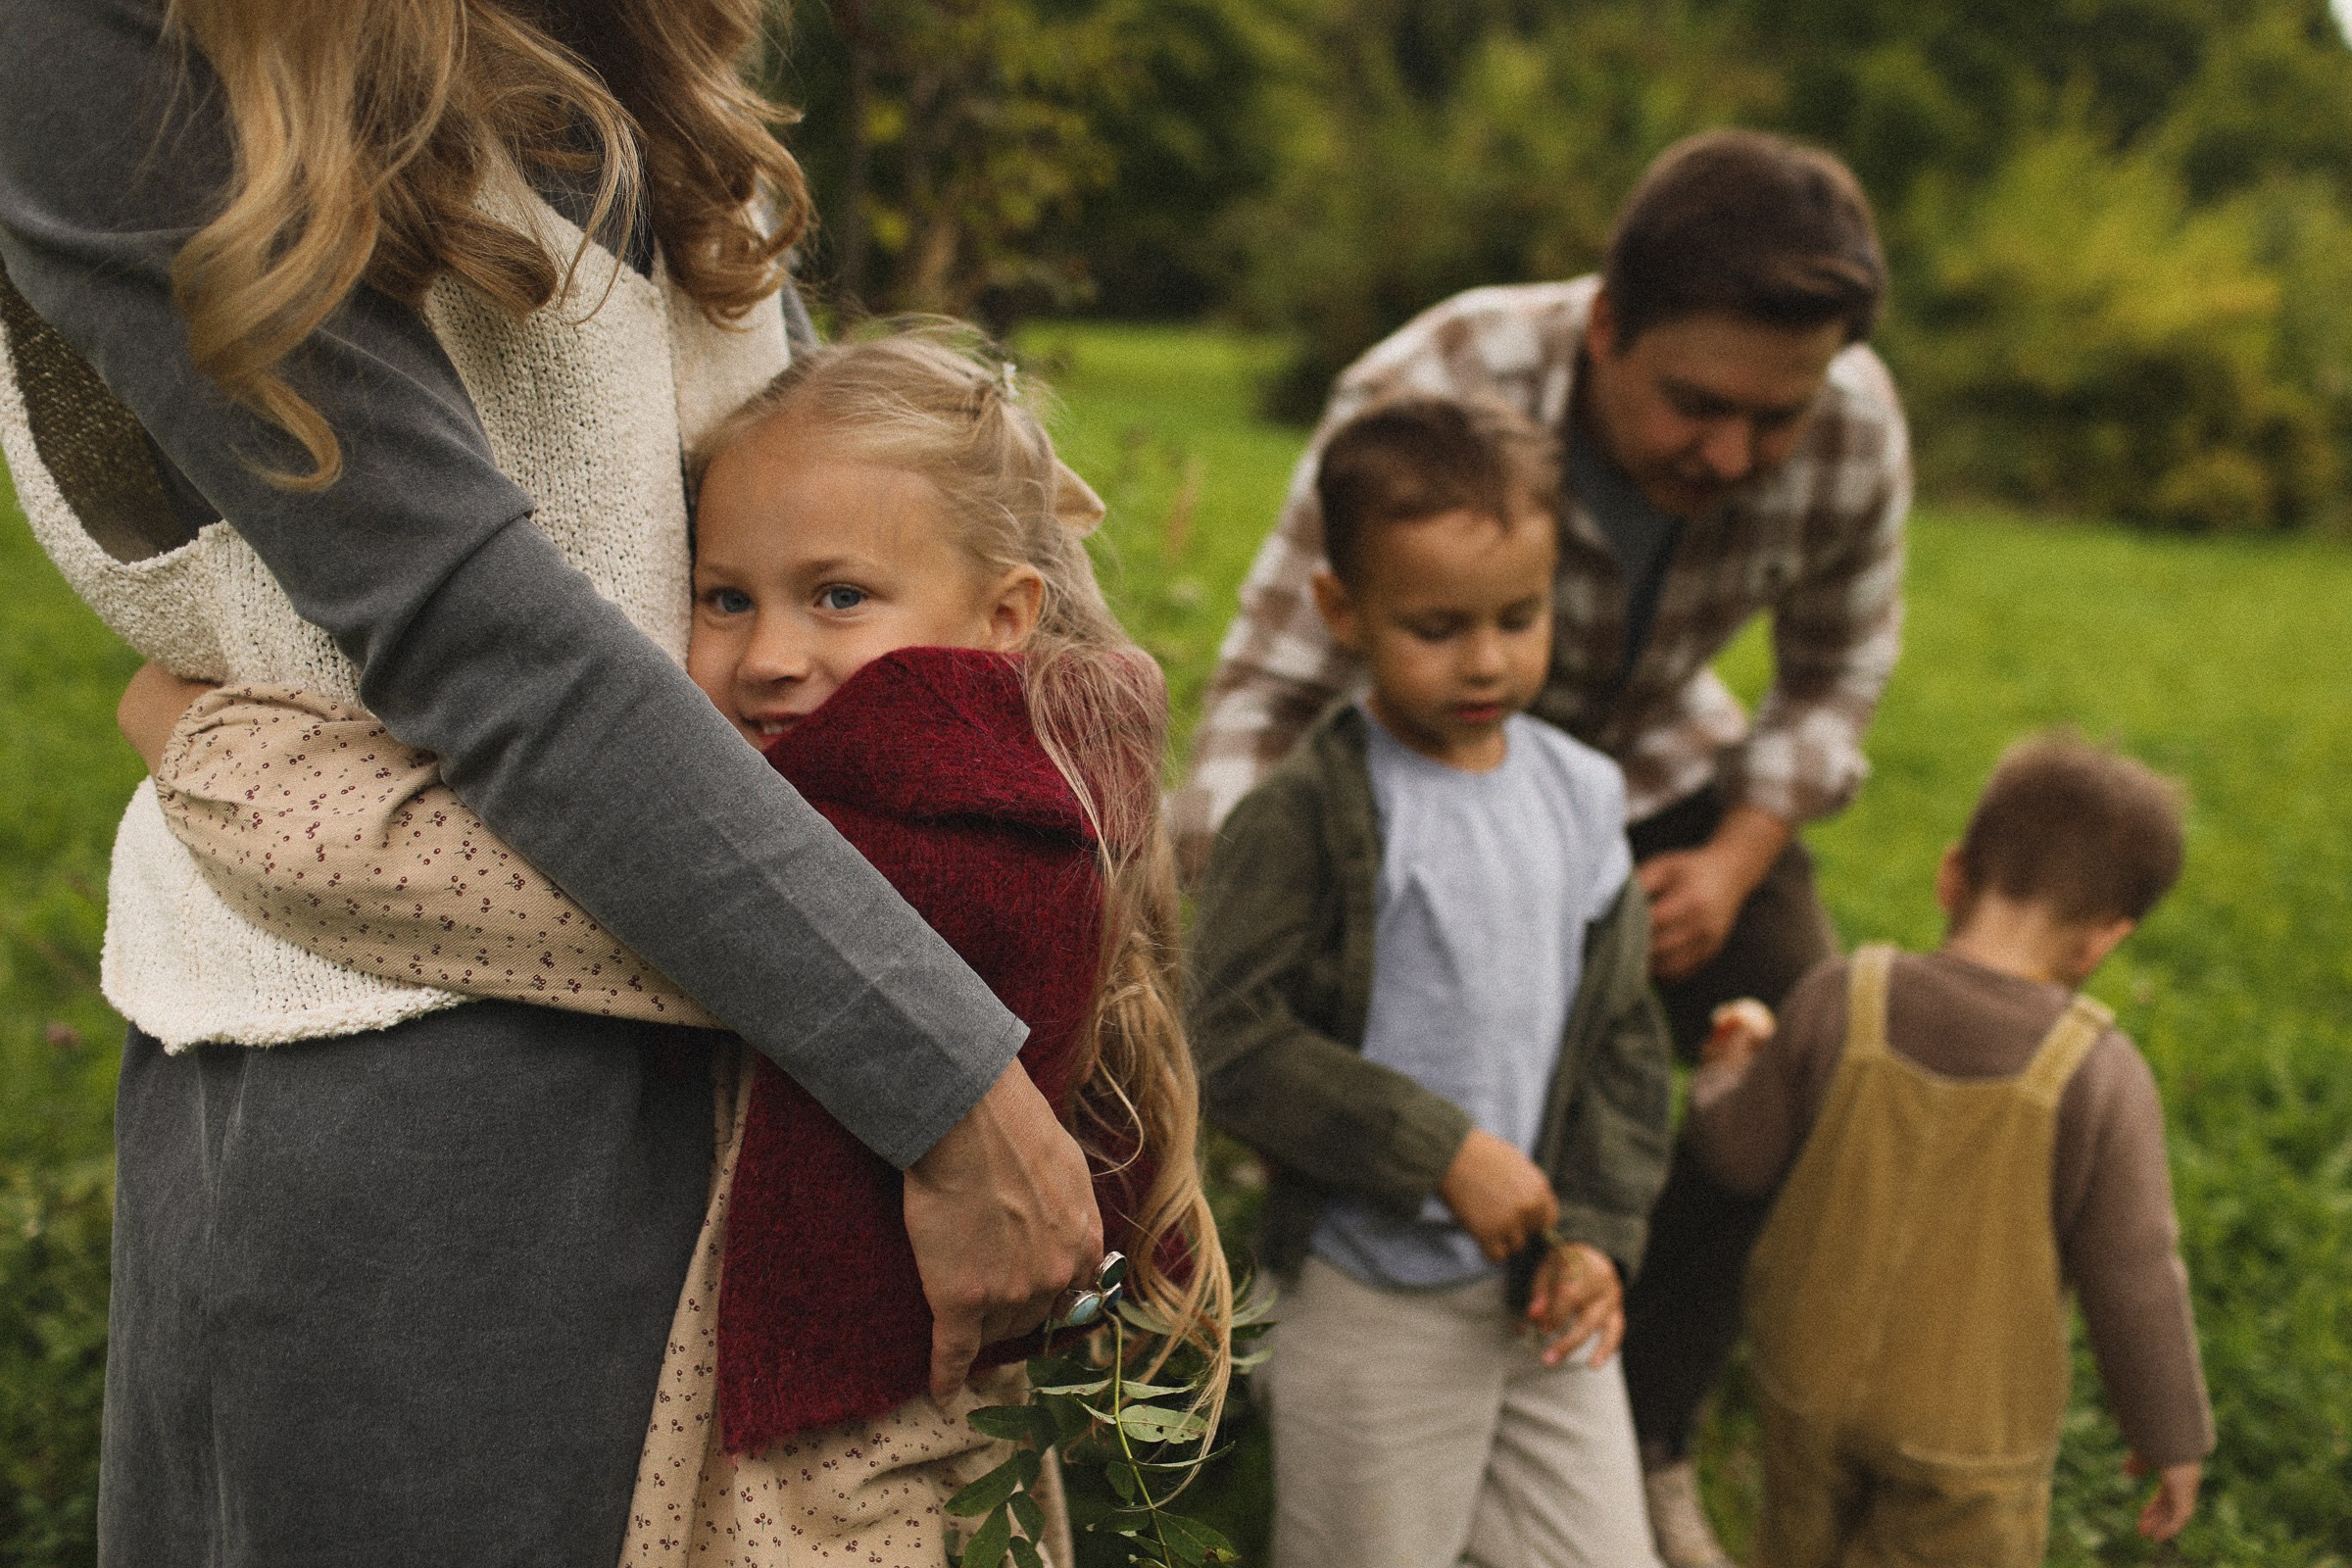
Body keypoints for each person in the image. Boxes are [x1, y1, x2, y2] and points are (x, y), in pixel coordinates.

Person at [0, 5, 1100, 1560]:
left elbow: (763, 469)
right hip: (436, 1114)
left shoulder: (633, 31)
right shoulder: (111, 33)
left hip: (789, 1021)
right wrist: (948, 1084)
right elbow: (473, 623)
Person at [116, 329, 1231, 1567]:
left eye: (840, 595)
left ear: (1006, 611)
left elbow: (394, 864)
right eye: (725, 597)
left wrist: (190, 730)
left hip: (833, 1497)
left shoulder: (905, 848)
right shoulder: (1036, 776)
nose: (770, 658)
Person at [1169, 127, 1909, 1565]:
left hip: (1640, 778)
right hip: (1405, 761)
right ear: (1607, 324)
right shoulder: (1428, 389)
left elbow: (1835, 680)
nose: (1734, 453)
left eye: (1777, 420)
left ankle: (1649, 1416)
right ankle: (1305, 1312)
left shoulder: (1859, 426)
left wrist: (1740, 859)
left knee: (1792, 1038)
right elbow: (1270, 692)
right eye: (1699, 405)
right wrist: (1264, 906)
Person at [1188, 396, 1675, 1568]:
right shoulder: (1310, 815)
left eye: (1520, 615)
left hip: (1544, 1293)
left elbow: (1621, 1036)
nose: (1490, 659)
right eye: (1439, 625)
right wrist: (1441, 1150)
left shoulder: (1578, 796)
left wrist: (1601, 1230)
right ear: (1342, 612)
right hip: (1370, 1302)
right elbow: (1230, 1040)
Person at [1690, 732, 2211, 1566]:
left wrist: (1727, 1067)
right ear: (2103, 940)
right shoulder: (2099, 1076)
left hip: (1804, 1377)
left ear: (1951, 875)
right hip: (1968, 1428)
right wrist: (2170, 1433)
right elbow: (2135, 1272)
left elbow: (1739, 1158)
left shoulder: (1838, 997)